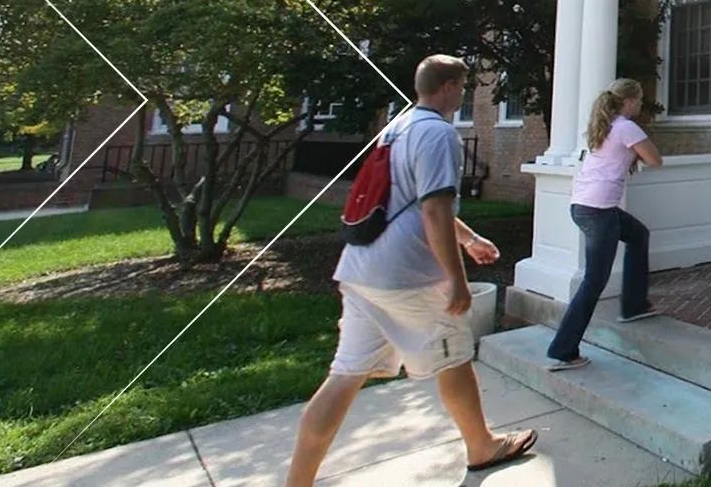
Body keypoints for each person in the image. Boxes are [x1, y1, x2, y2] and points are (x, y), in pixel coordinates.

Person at [284, 55, 536, 485]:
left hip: (361, 268)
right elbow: (434, 208)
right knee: (454, 355)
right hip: (408, 278)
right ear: (449, 86)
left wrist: (469, 238)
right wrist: (457, 280)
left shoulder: (396, 128)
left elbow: (412, 201)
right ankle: (482, 447)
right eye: (462, 85)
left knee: (344, 375)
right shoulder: (439, 134)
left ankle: (298, 481)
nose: (464, 93)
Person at [544, 78, 664, 370]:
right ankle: (564, 350)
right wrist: (635, 151)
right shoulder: (626, 127)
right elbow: (655, 159)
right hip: (599, 211)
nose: (640, 105)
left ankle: (634, 305)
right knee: (594, 281)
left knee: (638, 235)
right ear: (629, 101)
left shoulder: (605, 125)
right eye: (638, 100)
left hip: (584, 205)